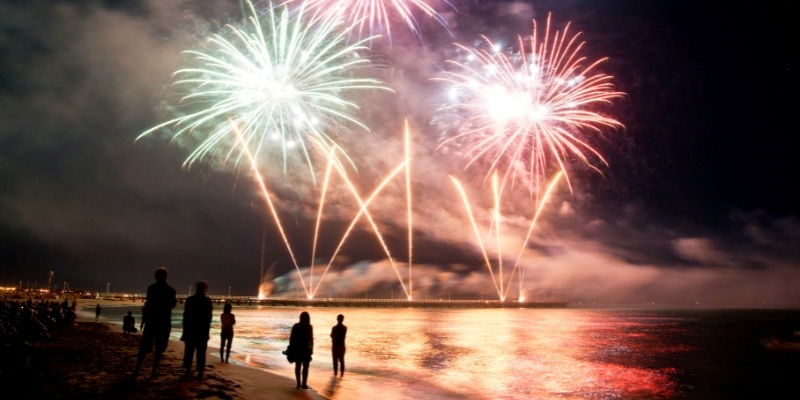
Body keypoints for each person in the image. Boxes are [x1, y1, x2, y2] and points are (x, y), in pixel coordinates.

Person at [133, 267, 177, 378]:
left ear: (156, 276)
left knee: (144, 346)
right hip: (164, 321)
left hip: (152, 320)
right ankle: (154, 369)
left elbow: (148, 304)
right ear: (166, 277)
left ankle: (138, 368)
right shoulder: (171, 290)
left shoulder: (151, 288)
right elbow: (172, 304)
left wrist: (144, 319)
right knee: (160, 347)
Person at [181, 280, 213, 379]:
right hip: (202, 330)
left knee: (189, 351)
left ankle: (187, 370)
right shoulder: (207, 301)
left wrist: (184, 331)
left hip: (190, 329)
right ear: (205, 289)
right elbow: (208, 318)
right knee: (201, 351)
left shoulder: (190, 300)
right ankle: (200, 372)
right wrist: (207, 332)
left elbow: (185, 316)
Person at [289, 311, 314, 389]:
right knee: (306, 367)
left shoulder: (296, 326)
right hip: (306, 348)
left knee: (298, 366)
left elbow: (291, 338)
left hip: (298, 348)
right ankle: (304, 384)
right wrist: (312, 348)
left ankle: (298, 383)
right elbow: (311, 339)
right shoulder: (309, 326)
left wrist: (291, 347)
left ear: (300, 318)